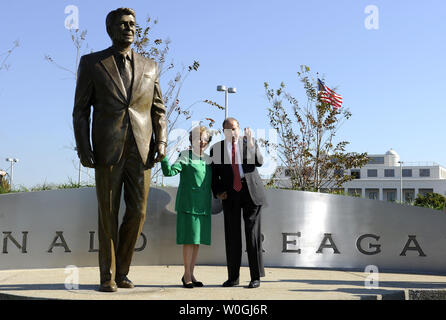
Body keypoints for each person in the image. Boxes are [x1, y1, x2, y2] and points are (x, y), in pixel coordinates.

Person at [72, 8, 167, 292]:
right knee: (108, 212)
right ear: (111, 29)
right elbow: (80, 111)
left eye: (133, 25)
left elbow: (158, 110)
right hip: (107, 148)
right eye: (123, 24)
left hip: (142, 148)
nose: (129, 28)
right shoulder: (92, 63)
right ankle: (107, 276)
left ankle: (123, 271)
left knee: (137, 212)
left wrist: (161, 141)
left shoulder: (150, 66)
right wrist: (83, 146)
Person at [210, 117, 266, 289]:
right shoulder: (216, 149)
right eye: (228, 130)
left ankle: (255, 277)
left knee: (253, 237)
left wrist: (250, 144)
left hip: (251, 193)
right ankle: (233, 277)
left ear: (239, 129)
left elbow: (259, 162)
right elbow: (214, 175)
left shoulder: (248, 142)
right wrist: (219, 192)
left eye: (234, 129)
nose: (232, 133)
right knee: (232, 237)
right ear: (223, 131)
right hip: (231, 195)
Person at [161, 126, 213, 288]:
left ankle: (191, 273)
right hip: (188, 204)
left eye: (205, 139)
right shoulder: (185, 156)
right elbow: (169, 173)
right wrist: (163, 158)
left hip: (203, 205)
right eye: (199, 138)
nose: (202, 142)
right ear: (192, 140)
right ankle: (186, 275)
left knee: (196, 241)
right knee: (189, 241)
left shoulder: (209, 159)